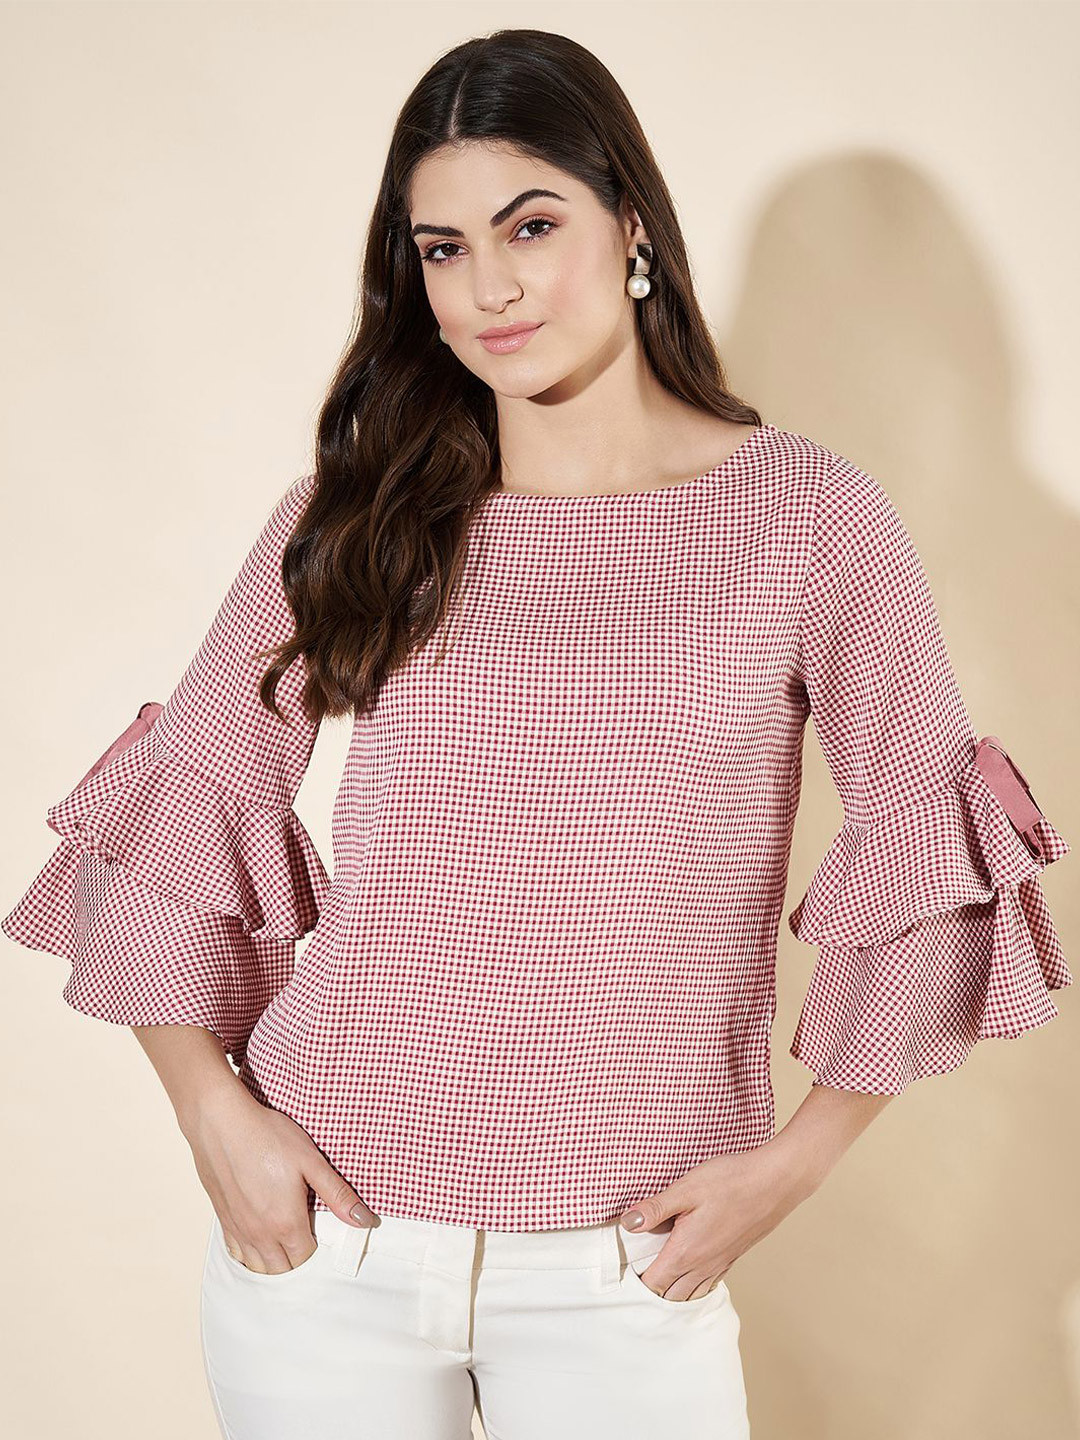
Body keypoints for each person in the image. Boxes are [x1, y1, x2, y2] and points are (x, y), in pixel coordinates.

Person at [2, 27, 1071, 1440]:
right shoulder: (363, 511)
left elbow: (930, 839)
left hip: (626, 1268)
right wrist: (213, 1118)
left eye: (531, 226)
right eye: (443, 249)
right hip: (329, 1257)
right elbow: (183, 795)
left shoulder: (805, 519)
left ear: (631, 225)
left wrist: (791, 1168)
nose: (489, 287)